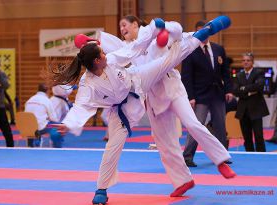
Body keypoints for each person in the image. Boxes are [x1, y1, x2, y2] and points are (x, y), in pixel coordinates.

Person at [52, 17, 235, 205]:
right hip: (123, 109)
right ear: (97, 61)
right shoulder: (87, 84)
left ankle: (203, 32)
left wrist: (156, 25)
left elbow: (137, 46)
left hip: (138, 81)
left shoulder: (114, 58)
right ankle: (101, 188)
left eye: (126, 25)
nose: (106, 55)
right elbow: (81, 106)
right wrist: (68, 123)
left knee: (169, 60)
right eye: (102, 54)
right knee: (112, 148)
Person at [118, 14, 234, 186]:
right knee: (164, 142)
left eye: (124, 25)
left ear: (135, 24)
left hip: (172, 86)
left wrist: (163, 26)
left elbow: (178, 30)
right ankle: (183, 181)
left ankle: (220, 159)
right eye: (120, 27)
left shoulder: (152, 31)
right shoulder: (128, 48)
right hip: (153, 95)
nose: (122, 29)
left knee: (193, 123)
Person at [181, 20, 233, 167]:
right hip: (199, 95)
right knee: (196, 126)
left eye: (206, 31)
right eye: (201, 31)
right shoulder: (190, 51)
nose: (204, 34)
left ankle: (222, 156)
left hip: (217, 93)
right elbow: (186, 76)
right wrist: (190, 96)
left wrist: (228, 89)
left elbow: (225, 72)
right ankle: (187, 156)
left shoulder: (218, 49)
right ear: (196, 33)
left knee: (220, 126)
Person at [233, 53, 269, 152]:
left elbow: (259, 86)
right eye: (244, 60)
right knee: (247, 137)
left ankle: (262, 156)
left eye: (248, 60)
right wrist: (250, 91)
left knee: (258, 136)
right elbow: (235, 91)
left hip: (256, 108)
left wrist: (244, 88)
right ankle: (249, 154)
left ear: (252, 62)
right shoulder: (239, 75)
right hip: (243, 110)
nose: (245, 62)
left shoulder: (259, 73)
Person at [24, 83, 59, 147]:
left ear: (38, 90)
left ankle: (30, 144)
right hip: (41, 129)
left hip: (27, 128)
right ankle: (56, 146)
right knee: (55, 124)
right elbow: (54, 118)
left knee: (33, 124)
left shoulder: (29, 100)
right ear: (47, 91)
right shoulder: (47, 101)